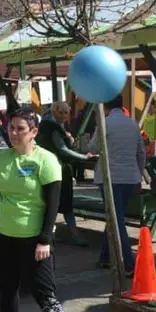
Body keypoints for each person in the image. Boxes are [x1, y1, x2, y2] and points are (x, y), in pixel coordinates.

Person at [0, 106, 88, 312]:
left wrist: (45, 240)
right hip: (2, 235)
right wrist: (0, 201)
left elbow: (53, 205)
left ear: (34, 132)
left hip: (35, 241)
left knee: (46, 295)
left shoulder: (47, 160)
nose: (14, 133)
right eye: (11, 127)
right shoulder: (0, 159)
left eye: (20, 129)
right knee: (7, 289)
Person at [92, 94, 145, 275]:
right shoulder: (133, 124)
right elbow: (141, 153)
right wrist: (140, 175)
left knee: (117, 219)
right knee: (114, 217)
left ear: (105, 106)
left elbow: (91, 147)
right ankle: (105, 257)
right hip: (130, 177)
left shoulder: (104, 123)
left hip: (110, 177)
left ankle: (128, 264)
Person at [36, 101, 97, 246]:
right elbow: (62, 149)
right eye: (61, 112)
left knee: (51, 202)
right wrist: (83, 157)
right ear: (54, 111)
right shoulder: (53, 127)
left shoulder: (44, 125)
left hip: (44, 166)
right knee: (64, 202)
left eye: (66, 112)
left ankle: (50, 232)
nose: (64, 116)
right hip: (59, 168)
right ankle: (73, 234)